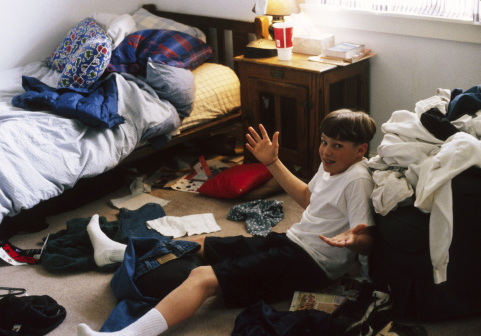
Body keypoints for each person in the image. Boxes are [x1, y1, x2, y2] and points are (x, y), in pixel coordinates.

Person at [77, 109, 377, 336]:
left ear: (360, 149)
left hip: (311, 264)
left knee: (203, 278)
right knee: (197, 244)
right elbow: (308, 198)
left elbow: (368, 238)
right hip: (291, 241)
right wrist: (271, 162)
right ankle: (115, 253)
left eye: (337, 145)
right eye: (324, 142)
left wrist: (353, 240)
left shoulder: (357, 179)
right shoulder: (331, 167)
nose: (326, 150)